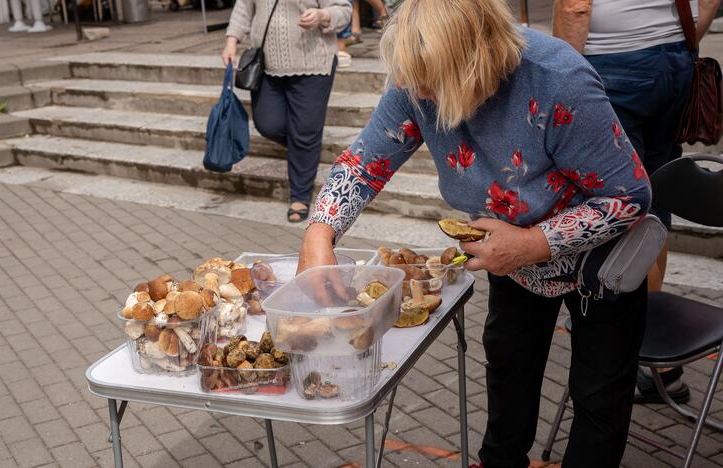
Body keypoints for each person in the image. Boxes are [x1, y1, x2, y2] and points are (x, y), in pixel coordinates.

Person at [297, 0, 652, 466]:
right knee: (509, 374)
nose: (408, 88)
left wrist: (531, 243)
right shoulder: (415, 76)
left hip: (599, 265)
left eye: (426, 81)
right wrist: (319, 234)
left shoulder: (557, 79)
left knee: (598, 398)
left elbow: (629, 196)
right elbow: (364, 163)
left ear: (472, 65)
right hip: (509, 257)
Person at [554, 0, 721, 405]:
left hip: (613, 67)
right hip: (673, 62)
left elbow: (574, 6)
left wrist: (563, 77)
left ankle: (621, 353)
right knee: (653, 198)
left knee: (615, 206)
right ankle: (660, 366)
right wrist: (676, 42)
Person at [222, 0, 352, 222]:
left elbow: (344, 10)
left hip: (314, 65)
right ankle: (305, 149)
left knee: (305, 133)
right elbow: (243, 7)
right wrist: (231, 41)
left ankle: (300, 197)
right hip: (267, 66)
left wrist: (323, 15)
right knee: (267, 124)